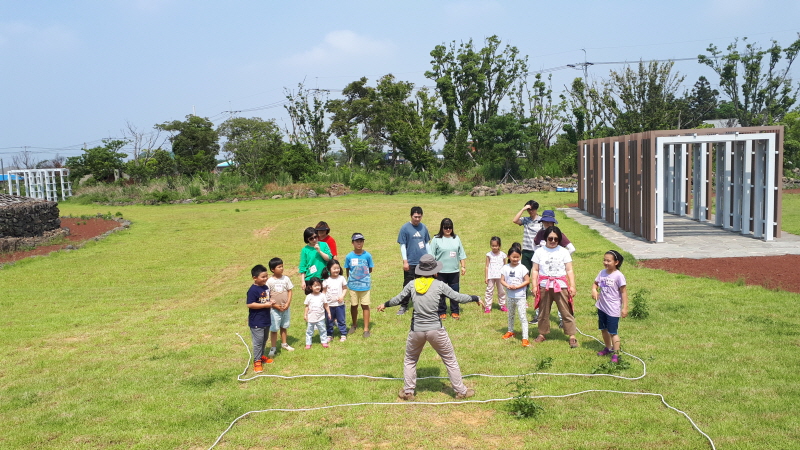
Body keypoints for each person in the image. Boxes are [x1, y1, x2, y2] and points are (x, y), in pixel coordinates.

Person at [377, 254, 481, 401]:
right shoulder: (439, 284)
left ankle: (408, 392)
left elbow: (398, 299)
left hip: (416, 330)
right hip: (436, 329)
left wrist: (385, 304)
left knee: (410, 360)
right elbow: (457, 297)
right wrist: (475, 297)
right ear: (434, 271)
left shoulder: (412, 284)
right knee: (450, 359)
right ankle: (461, 391)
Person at [531, 226, 579, 348]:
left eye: (556, 239)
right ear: (546, 238)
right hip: (544, 285)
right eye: (550, 238)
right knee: (543, 311)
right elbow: (535, 270)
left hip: (560, 285)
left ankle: (572, 335)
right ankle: (542, 333)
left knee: (565, 310)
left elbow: (569, 270)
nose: (553, 241)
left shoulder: (563, 251)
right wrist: (534, 285)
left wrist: (572, 285)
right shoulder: (539, 252)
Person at [530, 210, 575, 325]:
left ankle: (562, 320)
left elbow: (571, 248)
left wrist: (560, 258)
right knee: (542, 299)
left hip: (557, 276)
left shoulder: (558, 234)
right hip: (544, 274)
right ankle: (538, 318)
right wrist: (539, 257)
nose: (547, 224)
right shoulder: (540, 233)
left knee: (562, 299)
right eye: (545, 222)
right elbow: (534, 244)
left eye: (549, 222)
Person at [592, 250, 629, 363]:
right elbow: (595, 283)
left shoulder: (618, 276)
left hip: (612, 309)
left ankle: (616, 354)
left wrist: (625, 308)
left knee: (613, 332)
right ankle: (608, 348)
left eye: (609, 260)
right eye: (604, 260)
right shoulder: (602, 272)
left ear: (616, 262)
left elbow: (623, 292)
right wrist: (594, 290)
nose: (606, 262)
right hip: (602, 307)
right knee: (603, 329)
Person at [395, 206, 431, 315]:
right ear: (411, 216)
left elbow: (427, 244)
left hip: (423, 262)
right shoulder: (405, 228)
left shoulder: (423, 227)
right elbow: (402, 245)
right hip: (410, 262)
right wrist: (405, 261)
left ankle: (422, 304)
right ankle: (404, 305)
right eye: (415, 217)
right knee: (408, 284)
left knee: (423, 284)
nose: (417, 219)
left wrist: (430, 258)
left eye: (419, 217)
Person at [430, 218, 467, 320]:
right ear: (442, 228)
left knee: (454, 292)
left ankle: (455, 311)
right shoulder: (436, 239)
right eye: (445, 227)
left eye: (450, 227)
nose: (448, 229)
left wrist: (463, 266)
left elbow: (461, 254)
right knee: (441, 292)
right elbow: (431, 256)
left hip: (454, 271)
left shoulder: (456, 238)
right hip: (440, 271)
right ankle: (441, 311)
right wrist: (433, 270)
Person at [499, 243, 531, 347]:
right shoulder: (505, 268)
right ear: (509, 257)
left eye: (517, 257)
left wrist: (517, 287)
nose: (515, 259)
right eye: (513, 257)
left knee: (522, 317)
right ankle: (510, 331)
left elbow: (527, 281)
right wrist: (507, 285)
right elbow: (502, 280)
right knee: (510, 315)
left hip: (520, 297)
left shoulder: (522, 268)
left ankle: (525, 338)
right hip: (510, 296)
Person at [345, 233, 374, 338]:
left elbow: (370, 269)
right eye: (357, 241)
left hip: (365, 286)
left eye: (361, 241)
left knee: (365, 306)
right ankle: (354, 324)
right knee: (354, 305)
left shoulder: (367, 255)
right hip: (353, 286)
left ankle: (366, 329)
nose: (359, 243)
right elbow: (347, 270)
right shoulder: (349, 256)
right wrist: (350, 281)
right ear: (352, 243)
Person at [247, 264, 275, 373]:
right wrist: (265, 305)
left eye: (266, 276)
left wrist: (270, 302)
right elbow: (250, 304)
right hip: (256, 321)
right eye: (263, 277)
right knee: (258, 342)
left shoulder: (265, 287)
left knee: (264, 340)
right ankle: (257, 361)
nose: (265, 278)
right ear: (255, 278)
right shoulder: (253, 290)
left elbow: (265, 299)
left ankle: (261, 356)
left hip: (266, 319)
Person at [266, 257, 295, 356]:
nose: (282, 268)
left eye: (282, 266)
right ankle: (273, 348)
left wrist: (287, 304)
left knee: (284, 326)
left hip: (285, 308)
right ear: (273, 269)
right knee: (274, 329)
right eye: (279, 267)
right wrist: (275, 306)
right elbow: (267, 295)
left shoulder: (286, 279)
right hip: (274, 310)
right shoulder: (269, 281)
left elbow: (290, 291)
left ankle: (284, 344)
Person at [511, 200, 542, 276]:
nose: (531, 211)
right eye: (529, 210)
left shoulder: (542, 221)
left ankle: (537, 288)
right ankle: (525, 288)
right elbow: (515, 220)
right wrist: (523, 209)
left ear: (536, 209)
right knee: (525, 273)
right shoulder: (525, 220)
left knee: (539, 272)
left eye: (532, 209)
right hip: (526, 251)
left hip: (538, 251)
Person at [299, 227, 332, 292]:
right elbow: (302, 267)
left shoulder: (324, 245)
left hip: (324, 277)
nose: (314, 239)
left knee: (325, 300)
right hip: (310, 278)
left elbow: (329, 258)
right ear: (307, 239)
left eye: (315, 237)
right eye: (311, 238)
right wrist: (303, 281)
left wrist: (319, 251)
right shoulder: (305, 250)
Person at [323, 259, 348, 342]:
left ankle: (343, 334)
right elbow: (324, 292)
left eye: (338, 268)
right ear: (329, 269)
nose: (337, 270)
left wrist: (342, 296)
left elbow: (345, 288)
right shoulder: (326, 280)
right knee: (329, 321)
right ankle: (329, 334)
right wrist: (324, 302)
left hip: (339, 304)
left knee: (341, 320)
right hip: (329, 305)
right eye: (334, 268)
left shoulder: (341, 278)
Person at [303, 277, 330, 349]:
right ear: (310, 287)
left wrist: (329, 313)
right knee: (309, 331)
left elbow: (326, 305)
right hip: (311, 317)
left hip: (320, 317)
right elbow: (307, 306)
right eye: (315, 286)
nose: (317, 287)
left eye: (319, 285)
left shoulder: (322, 295)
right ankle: (308, 343)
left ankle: (324, 342)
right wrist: (305, 315)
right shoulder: (309, 296)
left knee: (323, 330)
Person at [484, 236, 507, 313]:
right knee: (489, 291)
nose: (494, 247)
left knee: (501, 291)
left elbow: (505, 266)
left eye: (496, 246)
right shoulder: (489, 255)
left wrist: (505, 277)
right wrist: (486, 277)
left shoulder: (503, 255)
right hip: (491, 276)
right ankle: (487, 306)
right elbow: (487, 266)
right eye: (493, 246)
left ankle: (502, 305)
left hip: (500, 277)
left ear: (499, 246)